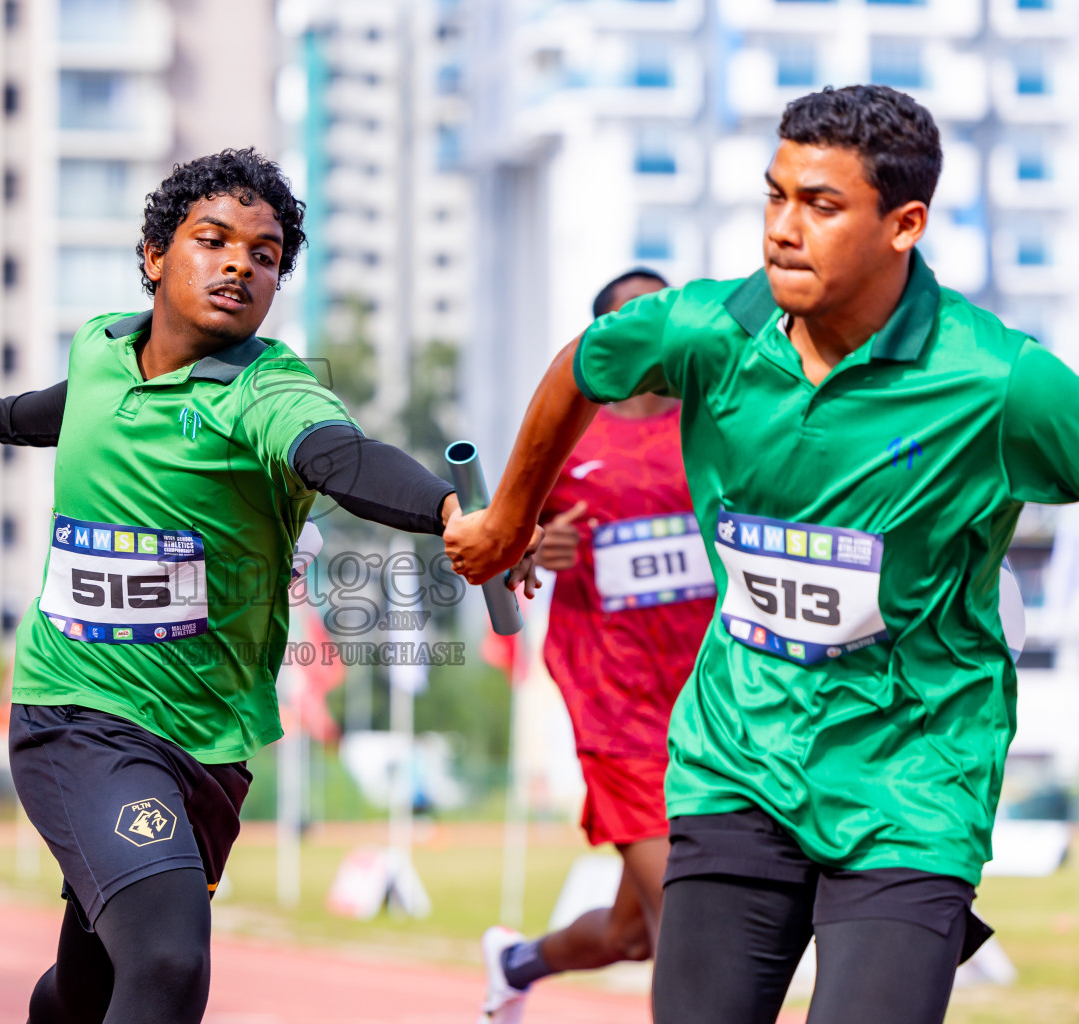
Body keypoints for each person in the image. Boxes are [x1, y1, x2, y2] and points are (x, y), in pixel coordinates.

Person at [446, 84, 1077, 1024]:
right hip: (736, 758)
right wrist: (507, 518)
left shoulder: (1000, 382)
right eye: (775, 196)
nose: (784, 228)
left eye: (821, 206)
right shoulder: (709, 330)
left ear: (905, 224)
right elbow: (586, 363)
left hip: (912, 781)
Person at [0, 148, 464, 1024]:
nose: (240, 262)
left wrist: (452, 511)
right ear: (156, 255)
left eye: (266, 254)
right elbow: (64, 405)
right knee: (164, 959)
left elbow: (342, 460)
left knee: (88, 990)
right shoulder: (101, 347)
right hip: (74, 714)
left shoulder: (269, 392)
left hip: (205, 745)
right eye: (214, 240)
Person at [476, 268, 717, 1023]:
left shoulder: (715, 424)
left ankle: (517, 962)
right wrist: (530, 548)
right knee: (694, 930)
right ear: (606, 339)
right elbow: (495, 551)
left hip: (715, 706)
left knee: (635, 935)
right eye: (634, 317)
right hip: (616, 712)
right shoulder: (566, 432)